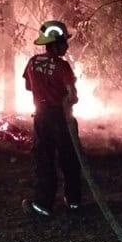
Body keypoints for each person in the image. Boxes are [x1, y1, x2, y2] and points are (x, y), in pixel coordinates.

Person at [21, 20, 82, 217]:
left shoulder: (32, 62)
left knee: (44, 160)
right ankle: (73, 201)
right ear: (55, 43)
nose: (67, 45)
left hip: (41, 117)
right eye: (64, 41)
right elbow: (72, 96)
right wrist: (69, 99)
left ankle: (43, 204)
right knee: (70, 159)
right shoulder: (63, 66)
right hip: (62, 119)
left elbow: (29, 87)